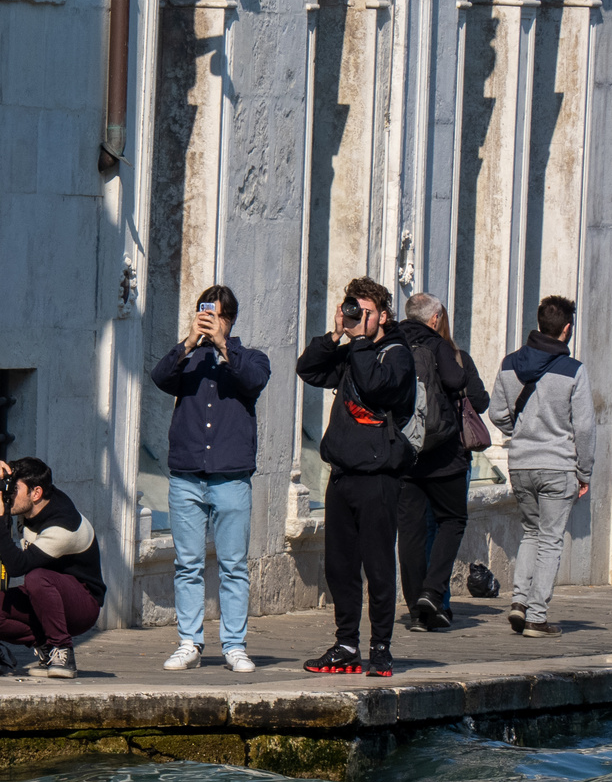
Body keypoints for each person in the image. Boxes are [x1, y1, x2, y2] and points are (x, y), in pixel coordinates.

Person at [296, 276, 414, 677]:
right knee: (340, 566)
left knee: (378, 566)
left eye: (364, 313)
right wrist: (334, 335)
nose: (357, 319)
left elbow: (378, 387)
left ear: (382, 315)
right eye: (353, 311)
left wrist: (360, 342)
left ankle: (380, 647)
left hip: (379, 476)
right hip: (343, 474)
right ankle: (346, 645)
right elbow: (308, 369)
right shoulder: (352, 351)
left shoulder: (397, 354)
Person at [150, 285, 272, 673]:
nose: (208, 321)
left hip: (230, 476)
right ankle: (189, 642)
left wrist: (223, 346)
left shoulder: (250, 357)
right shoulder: (188, 357)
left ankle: (234, 645)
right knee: (188, 564)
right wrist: (189, 341)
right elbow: (159, 376)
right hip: (187, 474)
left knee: (233, 565)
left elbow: (254, 381)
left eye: (214, 315)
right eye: (203, 313)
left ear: (229, 318)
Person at [489, 296, 595, 638]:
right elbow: (585, 427)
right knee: (550, 540)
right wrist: (585, 471)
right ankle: (536, 616)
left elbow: (496, 413)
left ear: (538, 323)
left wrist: (518, 432)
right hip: (558, 465)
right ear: (566, 329)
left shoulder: (509, 364)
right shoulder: (574, 370)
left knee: (531, 532)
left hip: (520, 463)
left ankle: (519, 602)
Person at [396, 292, 488, 632]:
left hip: (405, 453)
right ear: (435, 319)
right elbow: (459, 384)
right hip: (443, 454)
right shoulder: (442, 347)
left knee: (410, 532)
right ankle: (433, 594)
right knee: (451, 520)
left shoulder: (392, 344)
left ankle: (415, 604)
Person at [0, 456, 105, 678]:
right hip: (45, 598)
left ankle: (62, 650)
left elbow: (16, 567)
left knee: (36, 577)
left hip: (83, 604)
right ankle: (46, 648)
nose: (8, 495)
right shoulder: (29, 502)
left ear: (36, 493)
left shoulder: (62, 527)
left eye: (14, 489)